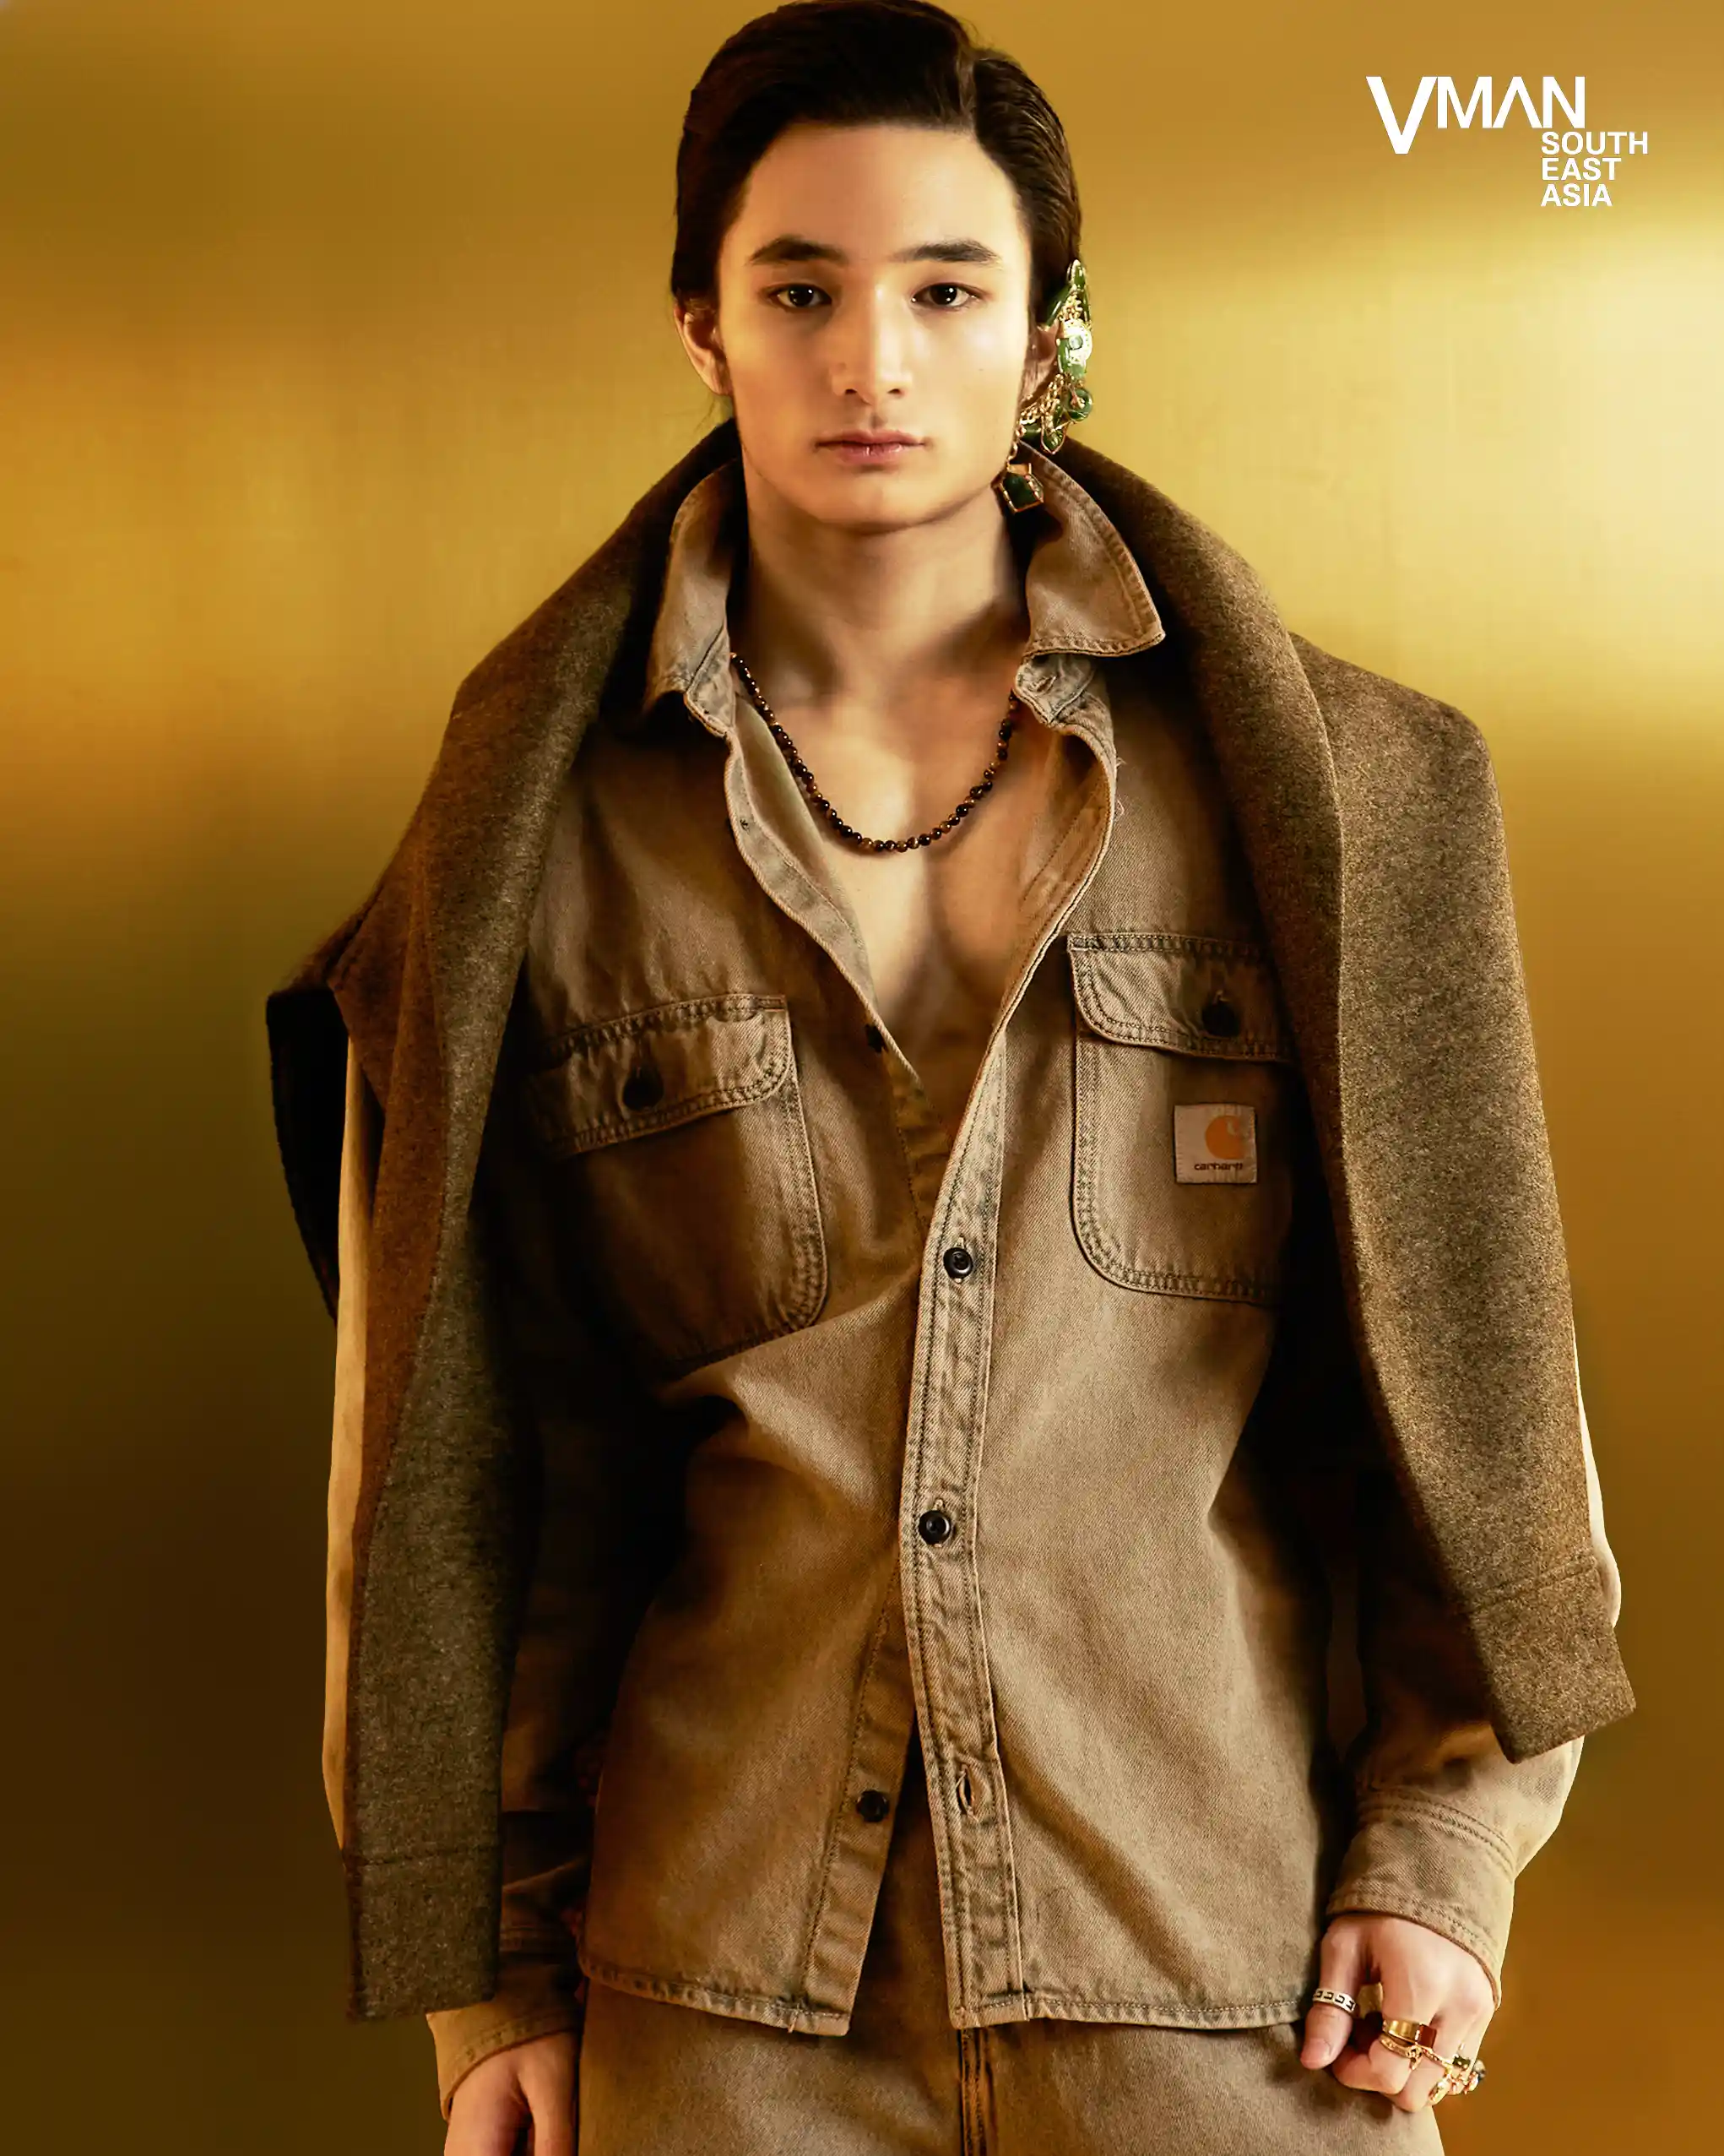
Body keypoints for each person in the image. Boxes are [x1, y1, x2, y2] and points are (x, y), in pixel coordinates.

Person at [263, 5, 1633, 2150]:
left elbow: (1470, 1377)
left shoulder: (1327, 799)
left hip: (1231, 1972)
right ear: (703, 327)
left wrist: (1443, 1842)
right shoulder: (538, 833)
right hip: (715, 2003)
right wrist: (492, 1976)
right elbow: (478, 1457)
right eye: (801, 290)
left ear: (1047, 329)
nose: (871, 361)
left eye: (944, 290)